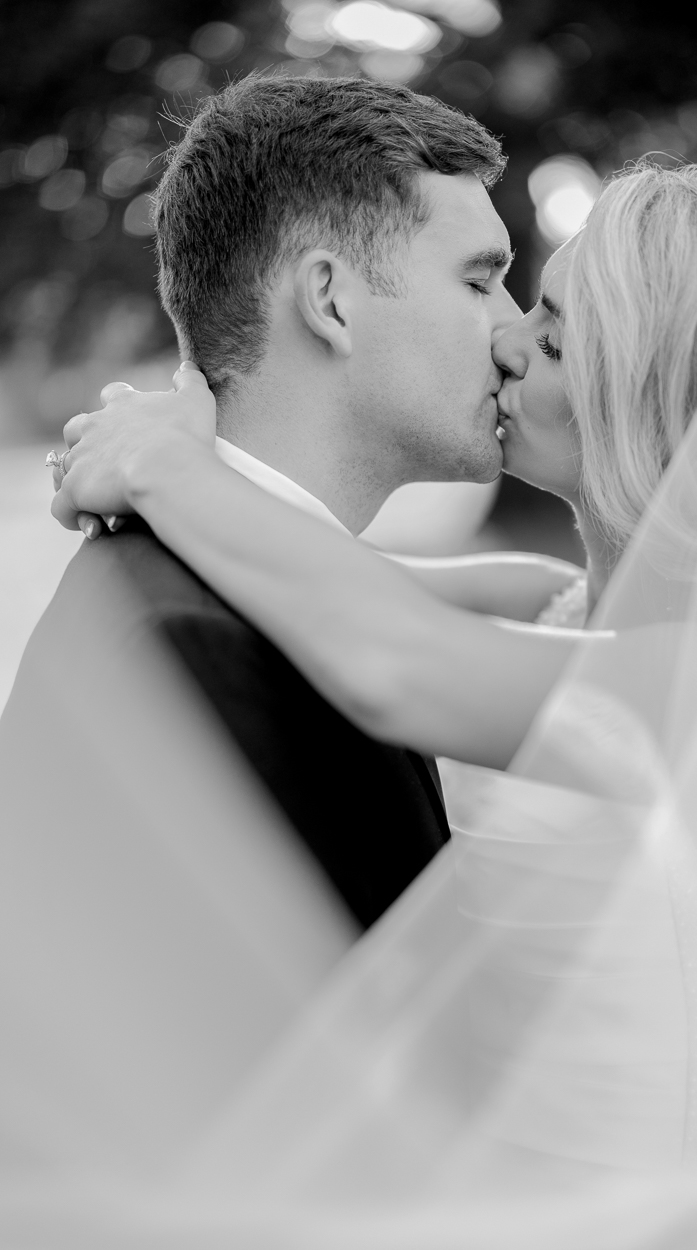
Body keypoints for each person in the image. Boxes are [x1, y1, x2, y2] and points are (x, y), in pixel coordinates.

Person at [15, 161, 697, 1247]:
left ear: (649, 398)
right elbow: (323, 571)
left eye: (551, 337)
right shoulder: (559, 605)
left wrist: (168, 470)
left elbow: (395, 661)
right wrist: (162, 434)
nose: (505, 342)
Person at [4, 74, 587, 936]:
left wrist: (168, 460)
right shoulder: (198, 646)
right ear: (328, 300)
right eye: (477, 281)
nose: (509, 334)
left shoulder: (226, 581)